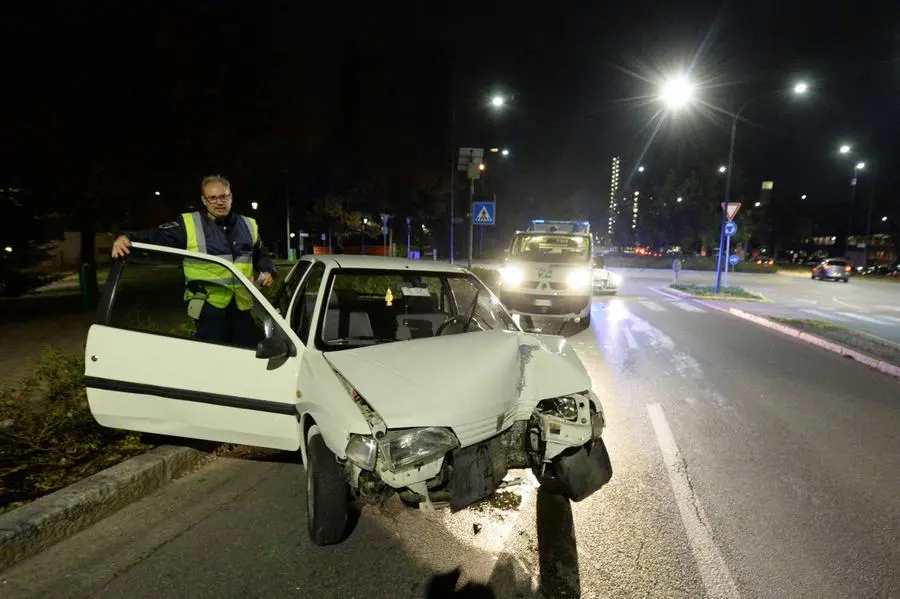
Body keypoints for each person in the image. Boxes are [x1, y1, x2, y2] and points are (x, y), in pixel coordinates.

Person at [111, 174, 277, 346]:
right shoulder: (189, 223)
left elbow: (260, 253)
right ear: (204, 200)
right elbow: (157, 235)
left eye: (223, 196)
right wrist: (126, 236)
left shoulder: (249, 224)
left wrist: (267, 270)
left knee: (250, 353)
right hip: (208, 306)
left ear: (231, 196)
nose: (219, 202)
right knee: (213, 357)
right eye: (212, 198)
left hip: (241, 305)